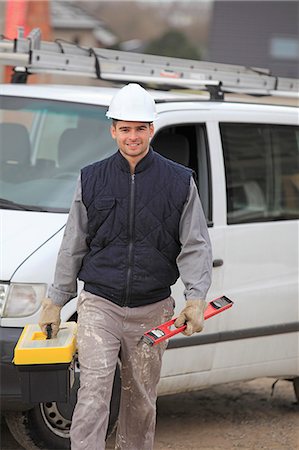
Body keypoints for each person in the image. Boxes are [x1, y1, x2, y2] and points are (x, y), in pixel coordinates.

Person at [39, 83, 212, 450]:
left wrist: (196, 299)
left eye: (139, 128)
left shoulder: (179, 182)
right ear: (112, 130)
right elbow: (73, 244)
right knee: (92, 394)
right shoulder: (92, 178)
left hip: (153, 310)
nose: (132, 136)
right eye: (124, 128)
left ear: (151, 129)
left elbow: (195, 245)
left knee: (140, 402)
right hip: (100, 304)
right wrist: (55, 300)